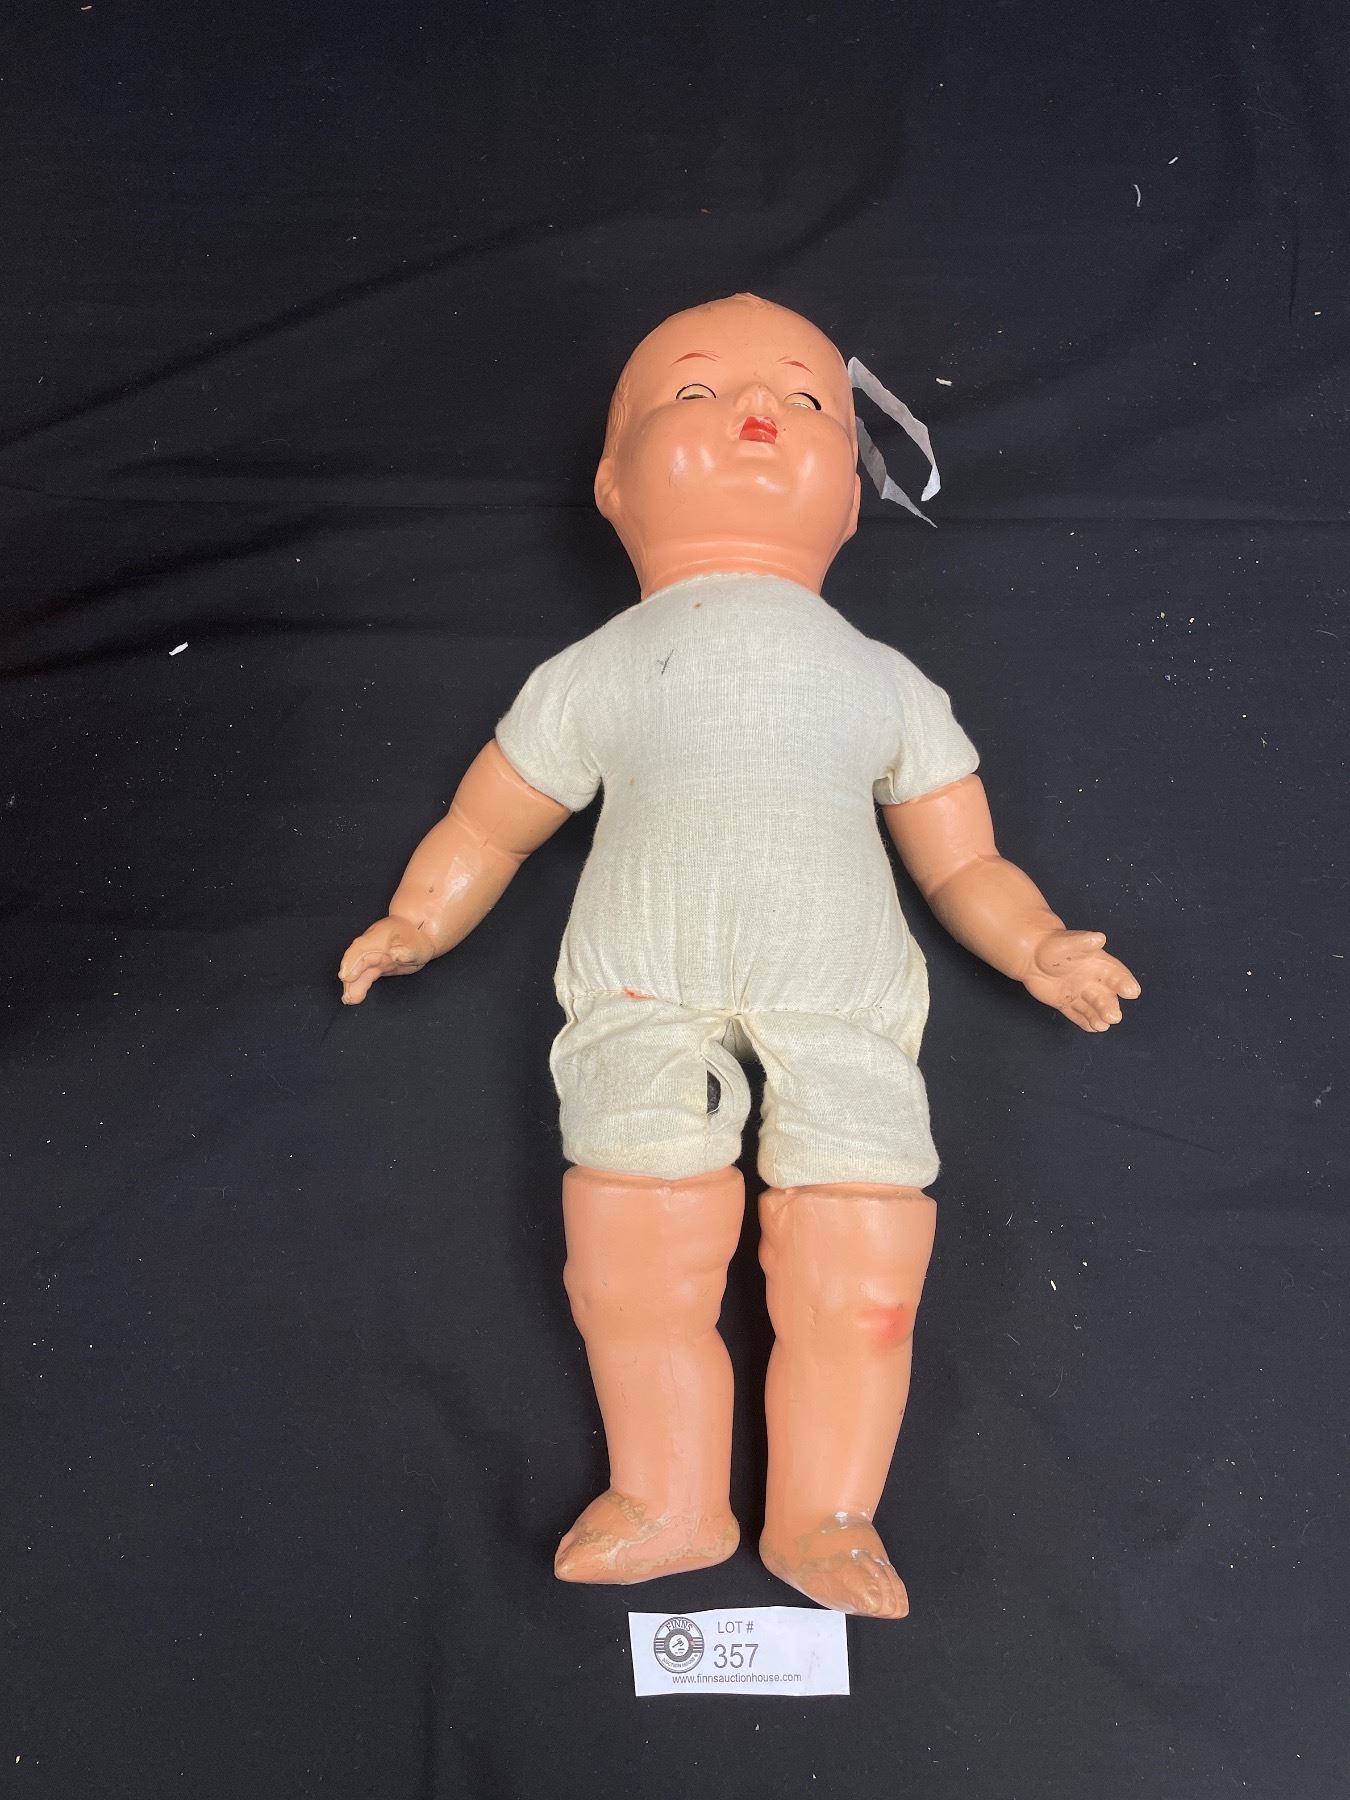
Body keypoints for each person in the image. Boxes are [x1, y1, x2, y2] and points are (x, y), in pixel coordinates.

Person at [338, 294, 1139, 1618]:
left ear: (850, 498)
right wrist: (424, 916)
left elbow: (961, 863)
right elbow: (488, 822)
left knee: (863, 1277)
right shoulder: (597, 670)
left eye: (810, 401)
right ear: (613, 483)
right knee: (630, 1262)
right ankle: (667, 1497)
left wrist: (1038, 942)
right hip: (641, 995)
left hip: (842, 1006)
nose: (759, 411)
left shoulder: (883, 680)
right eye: (695, 394)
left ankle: (828, 1513)